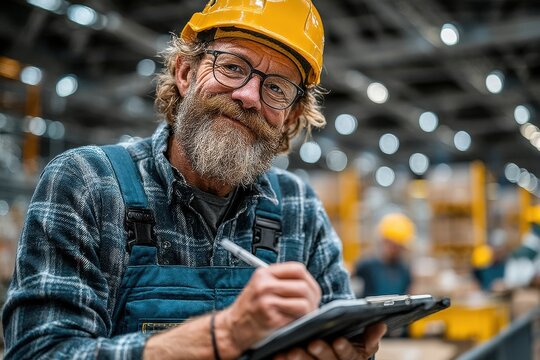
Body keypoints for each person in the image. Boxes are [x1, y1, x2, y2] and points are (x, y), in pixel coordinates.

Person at [2, 1, 386, 359]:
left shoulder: (297, 208)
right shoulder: (89, 184)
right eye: (233, 66)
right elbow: (41, 351)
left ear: (289, 114)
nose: (249, 95)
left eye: (276, 88)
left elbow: (337, 331)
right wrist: (226, 334)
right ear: (186, 73)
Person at [353, 213, 415, 298]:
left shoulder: (404, 270)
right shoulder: (367, 265)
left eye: (396, 246)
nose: (393, 249)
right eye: (390, 244)